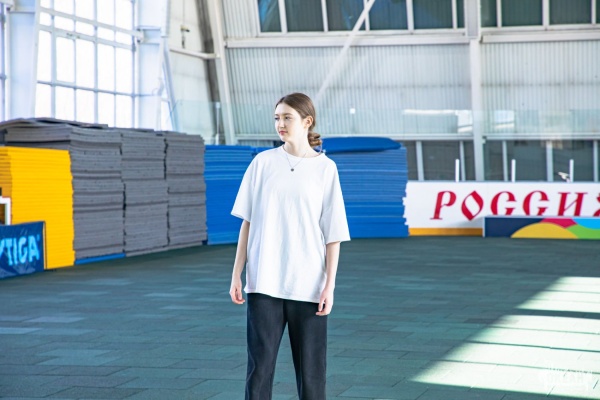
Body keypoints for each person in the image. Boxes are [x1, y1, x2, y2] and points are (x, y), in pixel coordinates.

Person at [229, 92, 351, 400]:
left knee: (312, 375)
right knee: (259, 371)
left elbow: (333, 234)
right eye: (276, 118)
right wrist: (236, 274)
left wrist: (329, 286)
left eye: (287, 117)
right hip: (264, 282)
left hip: (309, 285)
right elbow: (247, 223)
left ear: (307, 122)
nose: (280, 124)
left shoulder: (326, 169)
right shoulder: (262, 163)